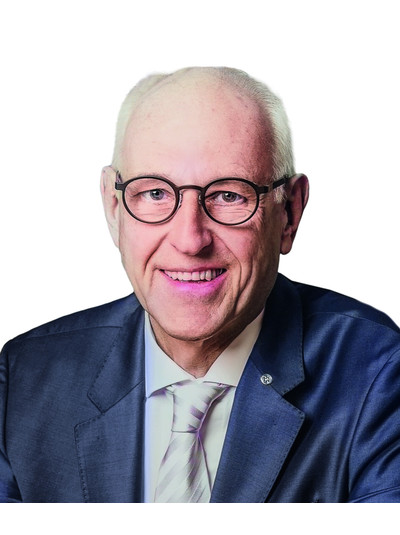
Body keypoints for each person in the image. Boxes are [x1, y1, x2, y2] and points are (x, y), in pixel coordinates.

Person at [1, 67, 399, 503]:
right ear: (114, 209)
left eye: (229, 195)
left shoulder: (377, 373)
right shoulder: (23, 379)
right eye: (155, 194)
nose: (190, 240)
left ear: (289, 213)